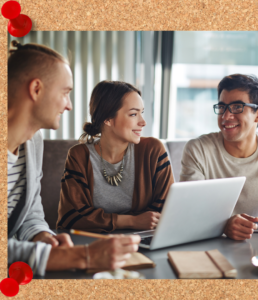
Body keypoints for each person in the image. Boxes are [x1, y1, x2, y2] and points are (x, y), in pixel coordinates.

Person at [8, 40, 140, 276]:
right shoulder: (79, 155)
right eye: (65, 93)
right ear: (36, 89)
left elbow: (30, 214)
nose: (69, 105)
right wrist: (81, 256)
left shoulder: (33, 142)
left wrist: (43, 236)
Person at [180, 74, 258, 241]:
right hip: (213, 238)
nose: (226, 116)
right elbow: (188, 210)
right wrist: (222, 225)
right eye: (222, 107)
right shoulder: (198, 149)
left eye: (237, 107)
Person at [57, 81, 174, 233]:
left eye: (142, 112)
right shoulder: (79, 156)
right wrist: (132, 221)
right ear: (107, 119)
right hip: (96, 243)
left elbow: (166, 211)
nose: (143, 122)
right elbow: (71, 217)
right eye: (133, 114)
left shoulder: (153, 150)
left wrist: (98, 219)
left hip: (143, 239)